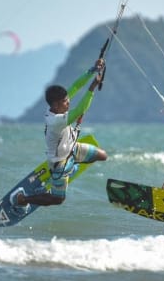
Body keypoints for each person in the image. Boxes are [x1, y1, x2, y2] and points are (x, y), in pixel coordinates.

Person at [10, 59, 108, 213]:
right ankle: (22, 199)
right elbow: (80, 109)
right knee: (58, 200)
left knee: (102, 155)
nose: (68, 102)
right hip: (60, 163)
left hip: (73, 149)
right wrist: (92, 87)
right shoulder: (56, 121)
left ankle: (70, 170)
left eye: (67, 99)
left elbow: (75, 86)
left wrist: (93, 69)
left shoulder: (57, 108)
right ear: (55, 105)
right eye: (65, 101)